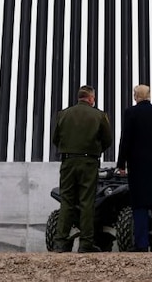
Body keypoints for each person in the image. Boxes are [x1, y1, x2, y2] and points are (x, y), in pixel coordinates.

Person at [51, 85, 113, 253]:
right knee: (87, 202)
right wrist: (95, 151)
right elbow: (108, 140)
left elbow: (55, 138)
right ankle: (86, 243)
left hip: (68, 162)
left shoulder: (63, 114)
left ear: (79, 97)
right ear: (91, 98)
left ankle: (60, 242)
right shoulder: (99, 116)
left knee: (67, 201)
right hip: (88, 163)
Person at [116, 84, 152, 252]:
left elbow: (126, 140)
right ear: (149, 96)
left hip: (138, 165)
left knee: (139, 205)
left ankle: (141, 243)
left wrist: (121, 164)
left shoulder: (131, 113)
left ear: (135, 96)